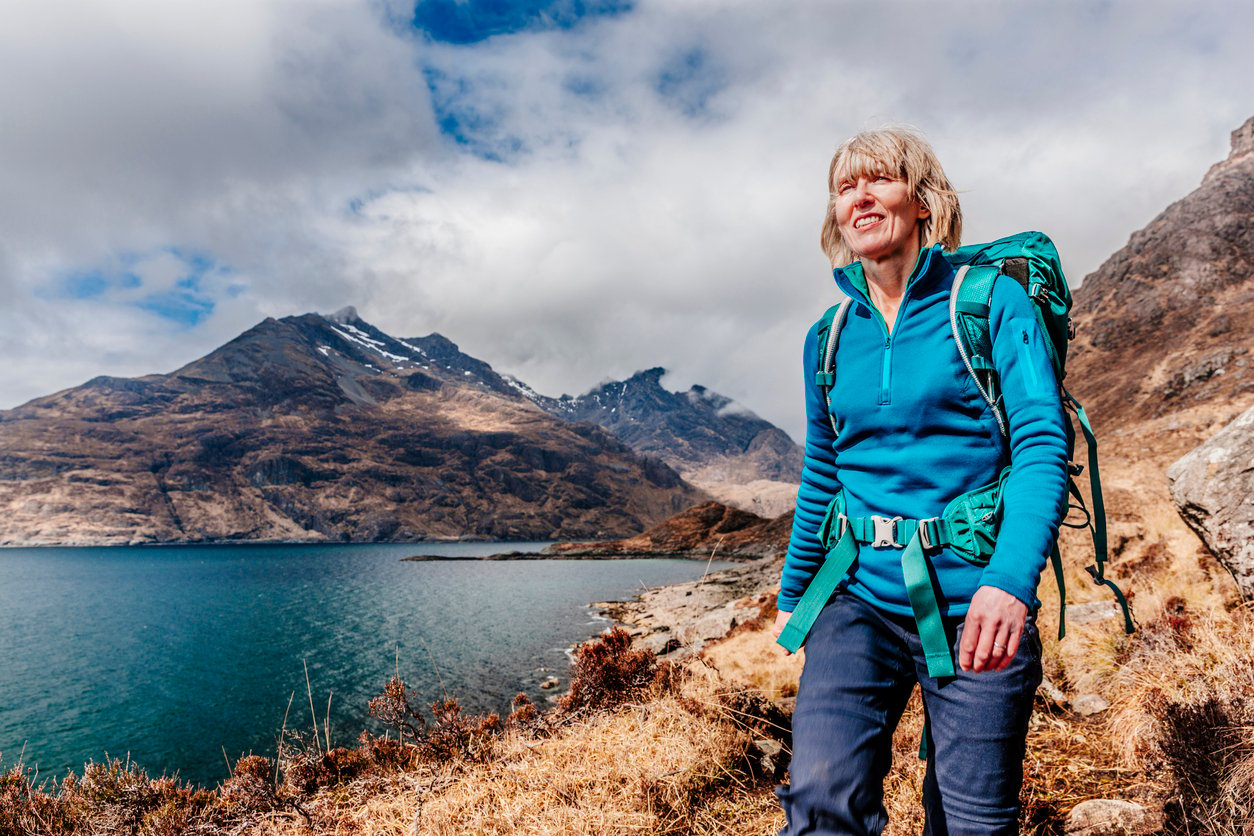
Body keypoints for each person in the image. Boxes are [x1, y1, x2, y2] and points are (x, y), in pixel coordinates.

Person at [772, 128, 1069, 835]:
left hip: (976, 602)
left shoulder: (989, 303)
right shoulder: (829, 335)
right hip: (858, 601)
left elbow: (1040, 446)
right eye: (845, 187)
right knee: (819, 800)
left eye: (878, 180)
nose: (860, 196)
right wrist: (792, 597)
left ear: (924, 200)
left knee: (970, 821)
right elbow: (823, 472)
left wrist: (1011, 584)